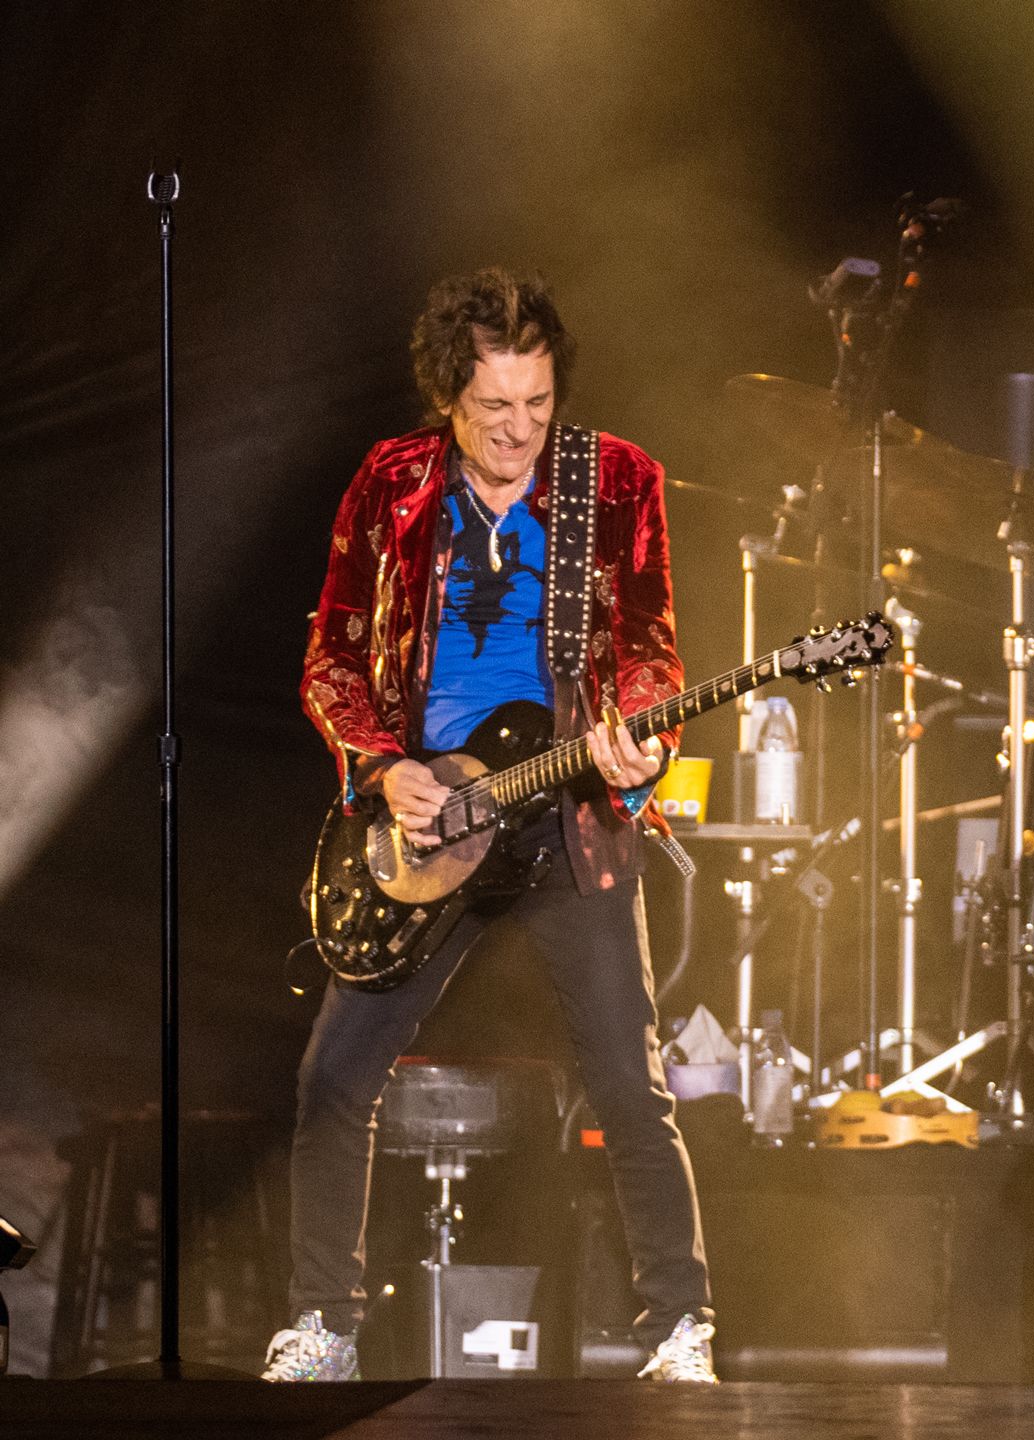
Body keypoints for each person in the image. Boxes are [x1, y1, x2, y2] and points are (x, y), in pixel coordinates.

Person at [273, 268, 716, 1383]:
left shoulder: (616, 481)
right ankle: (322, 1326)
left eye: (537, 405)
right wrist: (380, 769)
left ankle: (680, 1329)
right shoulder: (392, 482)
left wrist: (641, 739)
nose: (518, 431)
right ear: (446, 400)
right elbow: (330, 652)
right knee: (334, 1076)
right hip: (432, 822)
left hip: (567, 819)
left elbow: (653, 647)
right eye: (491, 410)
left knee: (629, 1080)